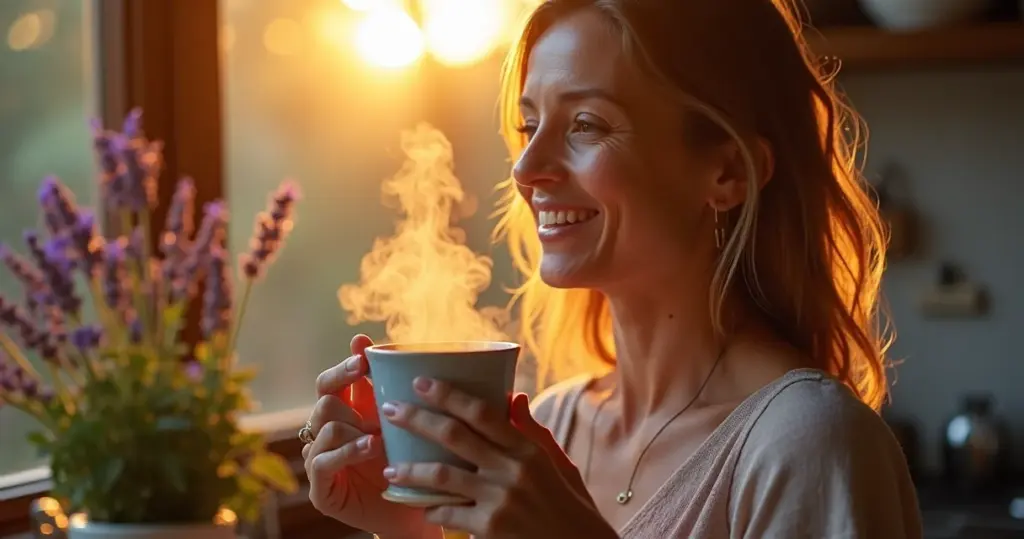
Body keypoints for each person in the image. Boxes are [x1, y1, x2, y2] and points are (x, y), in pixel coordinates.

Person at [301, 0, 923, 537]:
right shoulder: (550, 422)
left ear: (728, 172)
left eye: (585, 124)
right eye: (529, 125)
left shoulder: (807, 444)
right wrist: (414, 532)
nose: (525, 168)